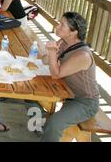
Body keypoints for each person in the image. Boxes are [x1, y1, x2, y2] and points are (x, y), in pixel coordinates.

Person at [41, 12, 99, 142]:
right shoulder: (64, 42)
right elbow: (45, 60)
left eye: (62, 25)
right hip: (69, 94)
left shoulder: (82, 55)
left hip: (85, 102)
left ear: (73, 32)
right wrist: (51, 53)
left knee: (54, 124)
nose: (58, 26)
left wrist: (51, 52)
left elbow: (56, 74)